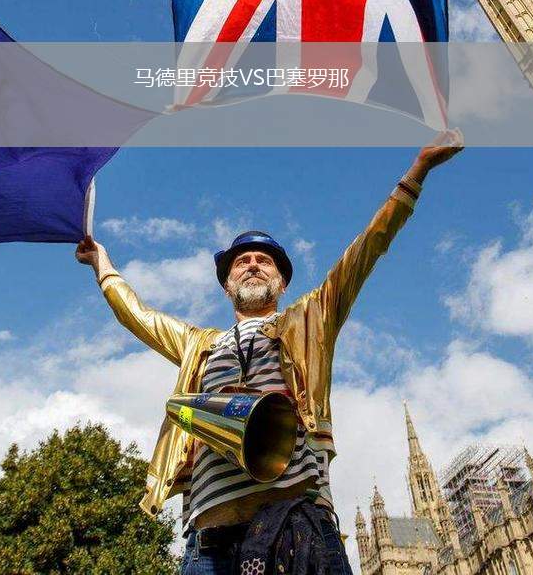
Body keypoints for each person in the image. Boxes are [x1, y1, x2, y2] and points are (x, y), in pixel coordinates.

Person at [74, 129, 464, 574]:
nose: (253, 264)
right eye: (242, 261)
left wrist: (417, 170)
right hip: (210, 545)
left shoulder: (309, 319)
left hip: (298, 530)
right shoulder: (198, 344)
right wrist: (102, 263)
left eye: (265, 260)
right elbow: (137, 316)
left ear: (282, 282)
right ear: (227, 286)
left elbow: (366, 249)